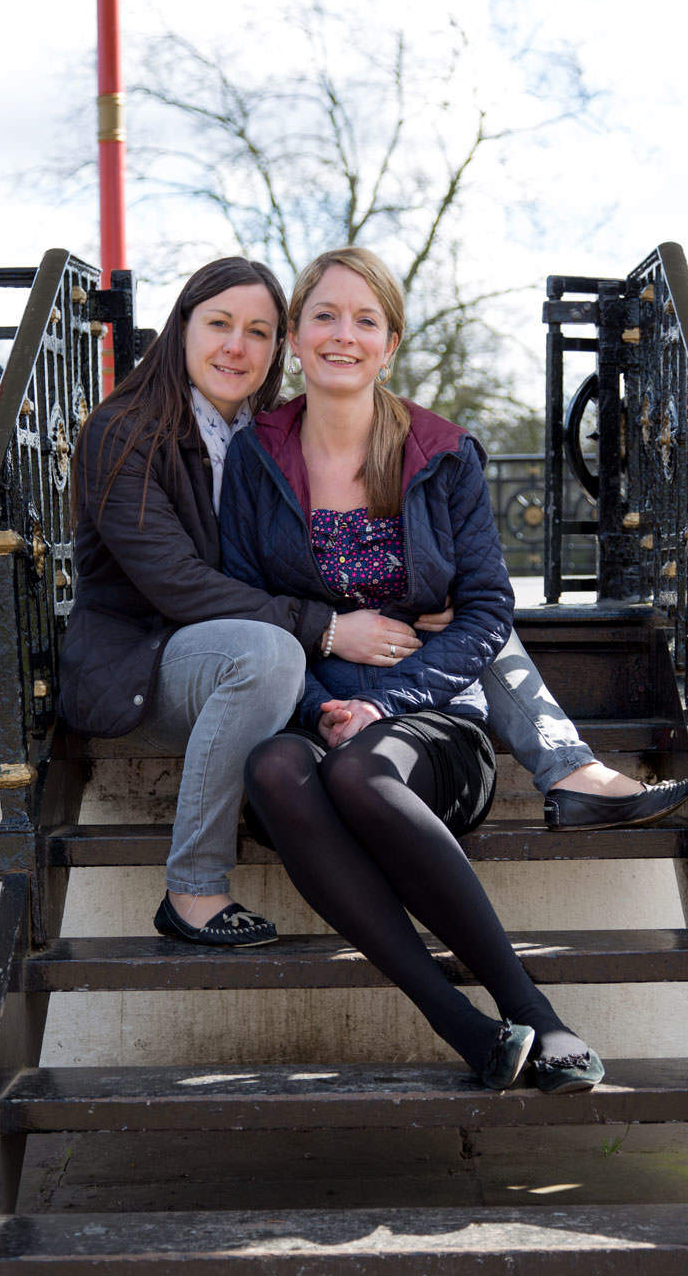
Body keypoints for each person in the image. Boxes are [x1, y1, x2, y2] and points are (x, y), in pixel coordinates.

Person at [219, 246, 613, 1092]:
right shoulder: (256, 456)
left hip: (433, 727)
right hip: (303, 708)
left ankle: (529, 1009)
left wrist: (385, 700)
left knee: (362, 770)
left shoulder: (441, 451)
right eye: (324, 315)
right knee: (274, 768)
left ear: (390, 343)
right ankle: (461, 1024)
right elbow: (246, 602)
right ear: (294, 335)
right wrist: (325, 677)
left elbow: (485, 610)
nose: (343, 336)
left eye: (366, 320)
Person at [58, 256, 428, 948]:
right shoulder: (124, 430)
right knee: (266, 654)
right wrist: (325, 629)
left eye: (258, 331)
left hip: (266, 664)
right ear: (182, 328)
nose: (237, 346)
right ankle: (193, 890)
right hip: (144, 665)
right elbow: (175, 582)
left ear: (278, 345)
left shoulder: (271, 433)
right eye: (220, 324)